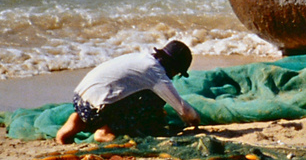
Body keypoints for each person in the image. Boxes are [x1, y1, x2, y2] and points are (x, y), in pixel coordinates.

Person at [56, 41, 201, 144]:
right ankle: (105, 131)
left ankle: (79, 120)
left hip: (80, 101)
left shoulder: (142, 58)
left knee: (125, 95)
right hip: (98, 109)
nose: (174, 76)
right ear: (174, 66)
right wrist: (195, 121)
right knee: (154, 100)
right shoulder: (156, 73)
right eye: (177, 72)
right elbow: (183, 109)